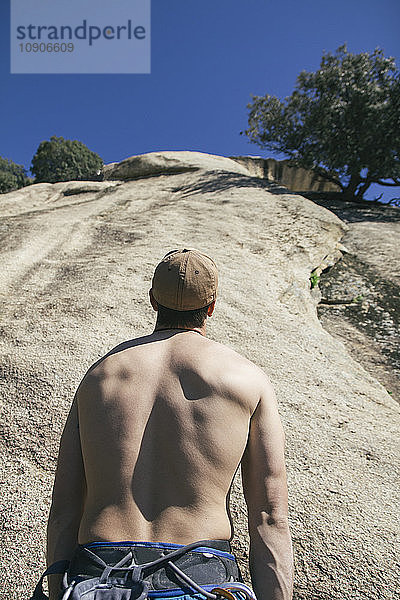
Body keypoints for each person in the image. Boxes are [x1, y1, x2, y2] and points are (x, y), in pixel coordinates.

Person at [45, 248, 294, 600]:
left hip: (99, 577)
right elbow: (269, 518)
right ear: (211, 306)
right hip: (200, 576)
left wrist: (56, 586)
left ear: (152, 300)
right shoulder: (246, 379)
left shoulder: (100, 375)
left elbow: (65, 508)